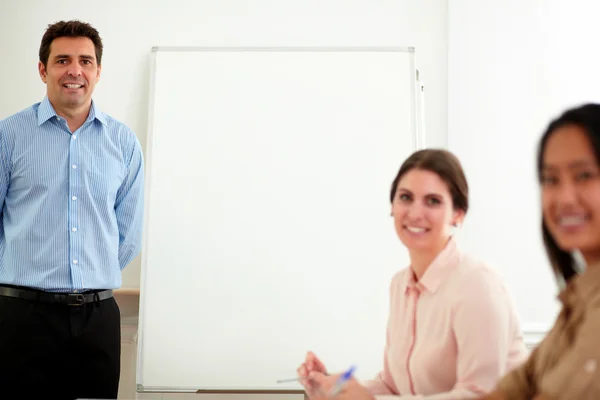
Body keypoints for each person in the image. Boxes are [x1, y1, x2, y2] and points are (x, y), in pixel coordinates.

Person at [297, 149, 528, 399]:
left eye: (433, 201)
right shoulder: (400, 285)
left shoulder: (478, 283)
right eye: (405, 197)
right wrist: (331, 389)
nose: (415, 213)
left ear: (458, 214)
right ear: (392, 206)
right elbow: (393, 386)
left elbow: (480, 396)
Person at [0, 20, 144, 398]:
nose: (74, 70)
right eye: (62, 60)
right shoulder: (9, 137)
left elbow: (127, 233)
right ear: (43, 69)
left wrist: (94, 271)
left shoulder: (123, 142)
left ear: (98, 72)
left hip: (98, 319)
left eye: (85, 61)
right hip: (21, 318)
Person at [475, 103, 600, 400]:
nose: (564, 197)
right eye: (551, 180)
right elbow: (514, 388)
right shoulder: (578, 299)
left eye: (583, 175)